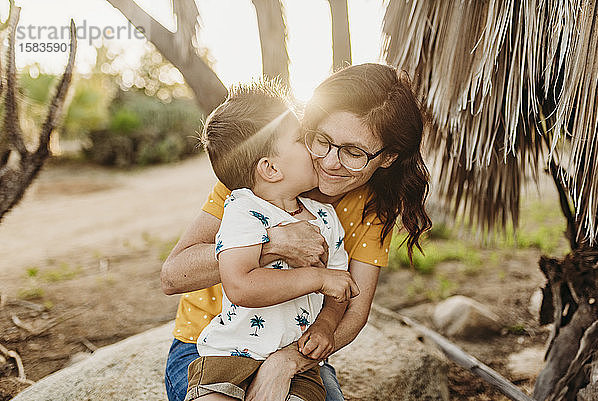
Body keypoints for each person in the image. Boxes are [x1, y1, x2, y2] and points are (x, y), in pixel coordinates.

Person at [162, 63, 432, 401]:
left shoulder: (369, 208)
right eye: (322, 140)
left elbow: (353, 307)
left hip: (294, 348)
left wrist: (287, 362)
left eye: (354, 152)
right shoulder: (254, 182)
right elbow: (172, 277)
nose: (331, 162)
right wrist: (274, 243)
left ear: (388, 157)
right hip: (210, 342)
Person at [184, 80, 358, 401]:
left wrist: (324, 327)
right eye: (300, 140)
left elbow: (340, 291)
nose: (313, 147)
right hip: (230, 353)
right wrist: (316, 277)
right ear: (271, 168)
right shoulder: (243, 209)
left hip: (296, 362)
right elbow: (240, 284)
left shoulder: (326, 218)